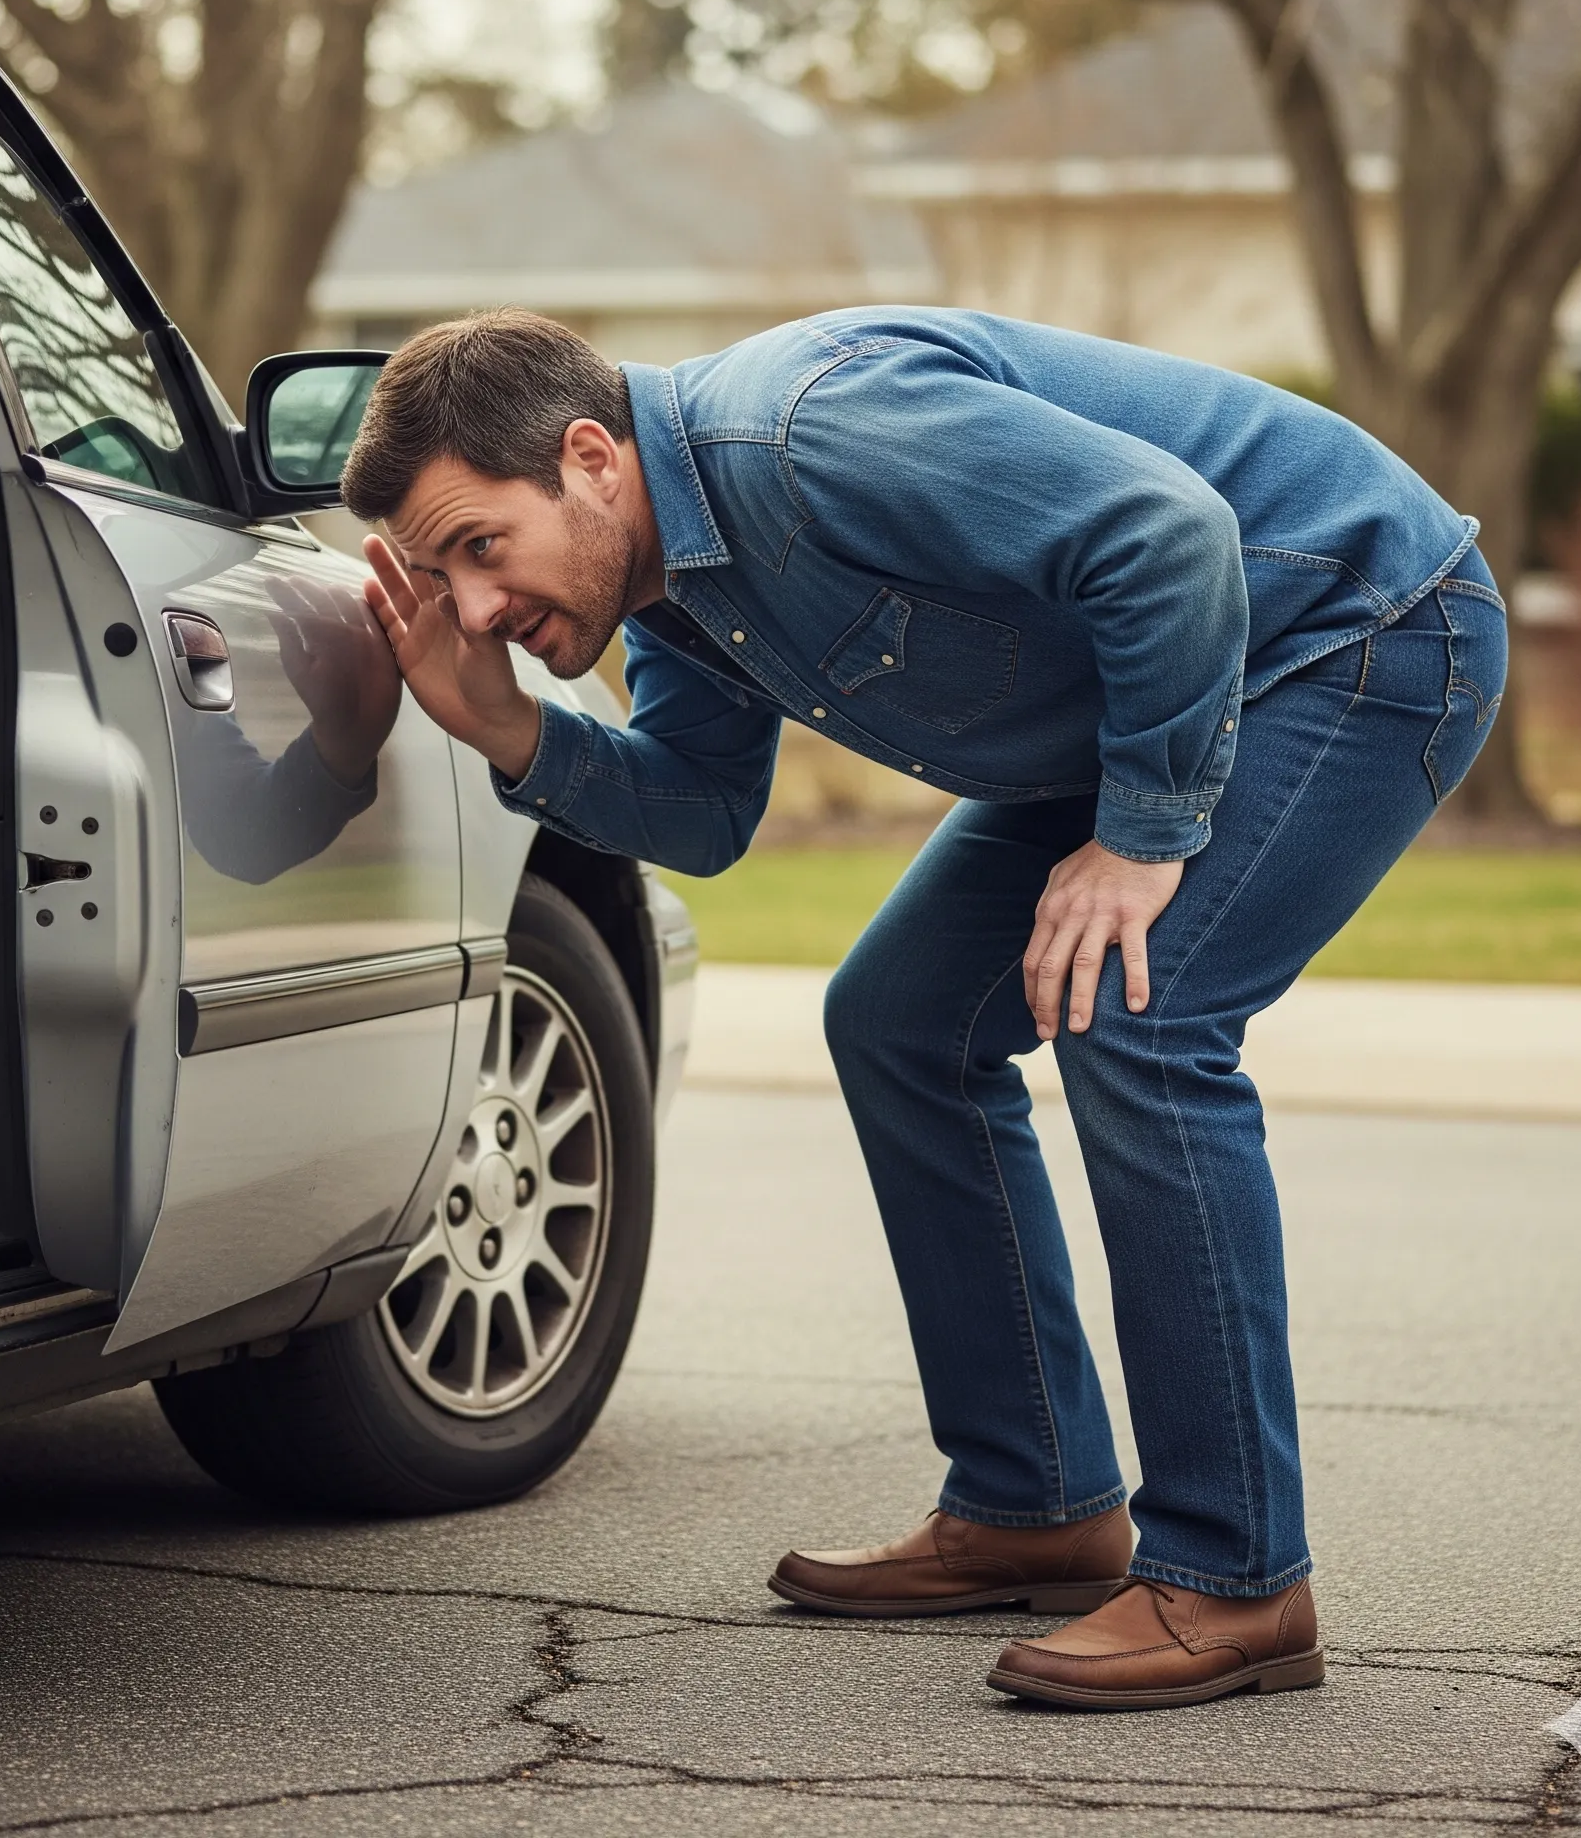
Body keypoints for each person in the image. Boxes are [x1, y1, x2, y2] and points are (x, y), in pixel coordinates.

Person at [344, 306, 1506, 1711]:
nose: (473, 607)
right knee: (899, 1021)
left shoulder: (808, 432)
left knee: (1144, 1013)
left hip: (1354, 633)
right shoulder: (668, 581)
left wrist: (1141, 840)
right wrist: (510, 726)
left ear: (591, 458)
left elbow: (1170, 538)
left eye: (481, 548)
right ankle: (1037, 1502)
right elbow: (706, 813)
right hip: (1153, 691)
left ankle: (1238, 1578)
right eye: (439, 575)